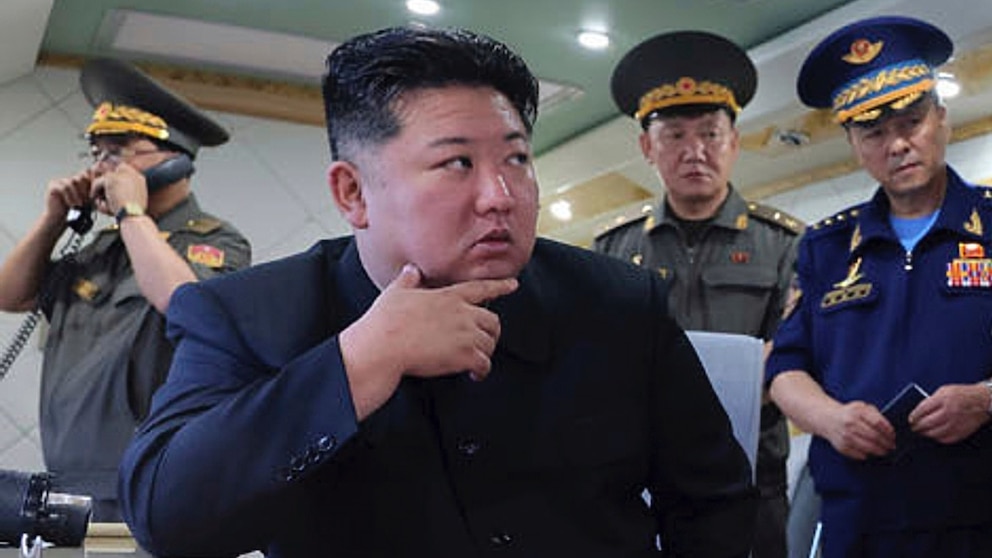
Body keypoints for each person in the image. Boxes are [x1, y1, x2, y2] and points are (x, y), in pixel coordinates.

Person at [118, 26, 757, 557]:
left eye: (516, 159)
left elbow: (713, 506)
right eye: (458, 164)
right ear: (352, 192)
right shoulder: (251, 315)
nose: (500, 197)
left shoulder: (618, 302)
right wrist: (359, 362)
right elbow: (168, 519)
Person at [767, 15, 992, 557]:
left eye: (912, 121)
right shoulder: (824, 247)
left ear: (942, 118)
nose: (897, 145)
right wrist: (831, 420)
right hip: (861, 523)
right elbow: (784, 370)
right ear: (854, 143)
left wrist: (986, 399)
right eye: (874, 132)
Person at [0, 58, 250, 521]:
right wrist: (53, 220)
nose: (101, 167)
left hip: (150, 484)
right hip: (68, 484)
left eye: (118, 152)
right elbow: (10, 295)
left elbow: (185, 304)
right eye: (96, 152)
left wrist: (132, 213)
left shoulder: (214, 241)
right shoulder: (102, 248)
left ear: (175, 157)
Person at [597, 31, 803, 558]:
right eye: (674, 136)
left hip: (754, 479)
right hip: (641, 483)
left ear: (735, 141)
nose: (695, 152)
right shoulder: (613, 249)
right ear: (647, 147)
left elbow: (795, 354)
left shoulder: (784, 243)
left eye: (711, 134)